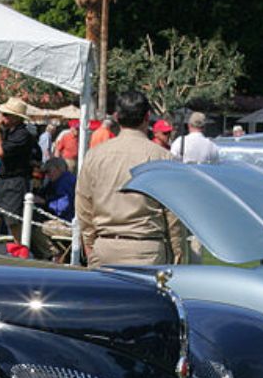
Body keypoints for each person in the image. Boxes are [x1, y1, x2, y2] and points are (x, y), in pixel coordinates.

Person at [76, 90, 187, 268]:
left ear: (116, 117)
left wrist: (89, 246)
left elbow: (84, 206)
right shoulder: (163, 158)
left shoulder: (94, 156)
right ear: (147, 117)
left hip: (105, 247)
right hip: (147, 250)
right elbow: (174, 215)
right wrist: (178, 254)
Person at [0, 97, 37, 243]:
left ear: (16, 118)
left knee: (13, 224)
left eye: (6, 115)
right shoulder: (7, 132)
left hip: (15, 183)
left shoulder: (22, 135)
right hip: (2, 181)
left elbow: (0, 152)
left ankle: (22, 250)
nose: (2, 117)